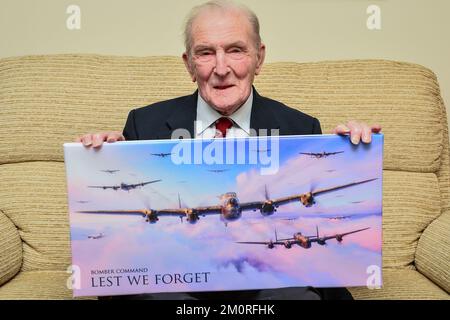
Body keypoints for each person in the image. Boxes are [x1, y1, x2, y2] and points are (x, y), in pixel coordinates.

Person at [77, 0, 381, 300]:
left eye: (235, 50)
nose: (221, 68)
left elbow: (321, 232)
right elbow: (126, 240)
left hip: (272, 280)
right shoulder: (144, 124)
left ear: (259, 59)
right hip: (178, 282)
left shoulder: (301, 128)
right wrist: (105, 158)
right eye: (206, 53)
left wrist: (352, 153)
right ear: (189, 64)